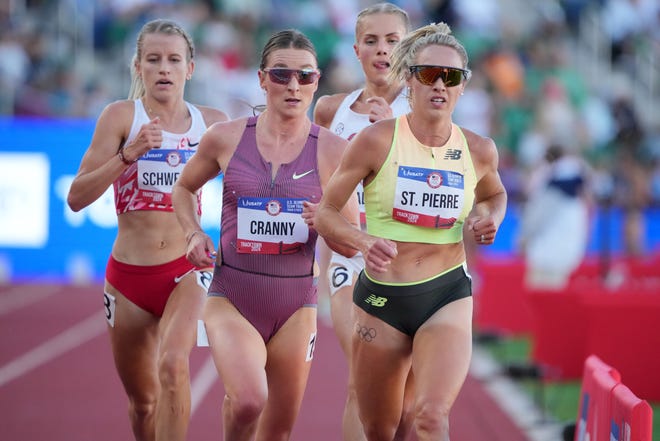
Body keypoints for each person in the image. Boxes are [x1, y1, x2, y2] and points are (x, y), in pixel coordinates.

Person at [313, 22, 508, 441]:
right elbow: (327, 212)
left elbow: (495, 195)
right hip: (382, 298)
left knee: (431, 418)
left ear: (462, 87)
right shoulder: (374, 141)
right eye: (427, 74)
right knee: (384, 428)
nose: (439, 84)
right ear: (409, 80)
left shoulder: (479, 149)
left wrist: (490, 216)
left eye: (450, 76)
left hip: (446, 295)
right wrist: (362, 240)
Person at [171, 29, 359, 441]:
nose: (294, 85)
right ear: (261, 79)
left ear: (317, 80)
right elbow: (183, 188)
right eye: (281, 75)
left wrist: (323, 222)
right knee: (248, 400)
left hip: (296, 305)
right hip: (232, 294)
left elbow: (350, 239)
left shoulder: (333, 150)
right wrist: (191, 233)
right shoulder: (226, 137)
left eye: (305, 76)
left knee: (277, 431)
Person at [66, 19, 229, 441]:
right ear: (137, 66)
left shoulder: (212, 123)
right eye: (153, 59)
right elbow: (77, 197)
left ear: (189, 68)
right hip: (128, 280)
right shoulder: (121, 116)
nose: (164, 68)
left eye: (174, 60)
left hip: (186, 271)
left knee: (174, 365)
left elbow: (250, 190)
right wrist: (128, 154)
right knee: (143, 404)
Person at [311, 3, 413, 441]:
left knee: (406, 403)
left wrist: (396, 133)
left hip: (412, 262)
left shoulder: (430, 110)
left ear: (408, 47)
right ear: (356, 49)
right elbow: (312, 177)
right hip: (349, 257)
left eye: (392, 40)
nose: (382, 49)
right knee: (363, 378)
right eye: (371, 40)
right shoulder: (330, 110)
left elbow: (451, 190)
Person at [518, 143, 593, 290]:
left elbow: (533, 220)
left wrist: (524, 238)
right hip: (546, 256)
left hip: (556, 257)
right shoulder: (555, 195)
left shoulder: (574, 206)